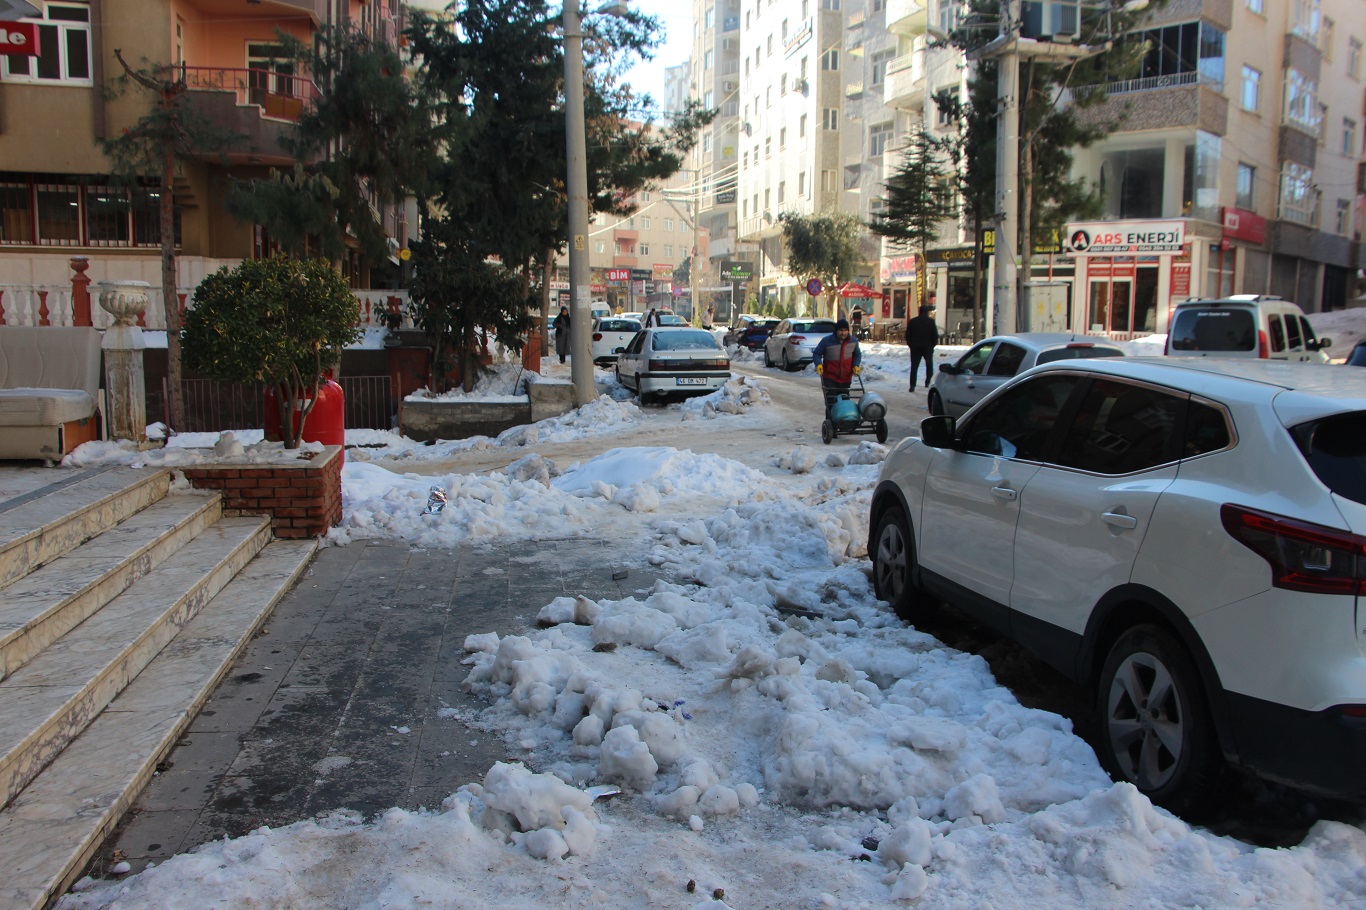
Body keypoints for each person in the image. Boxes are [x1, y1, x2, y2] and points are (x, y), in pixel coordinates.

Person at [812, 319, 862, 413]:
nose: (843, 333)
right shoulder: (827, 341)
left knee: (845, 400)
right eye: (840, 330)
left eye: (845, 330)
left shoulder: (853, 341)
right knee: (832, 401)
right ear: (836, 331)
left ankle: (844, 423)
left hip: (846, 377)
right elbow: (817, 353)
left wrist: (856, 365)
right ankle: (831, 422)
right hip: (830, 377)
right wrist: (818, 363)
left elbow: (857, 354)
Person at [904, 305, 939, 392]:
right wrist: (932, 345)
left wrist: (910, 344)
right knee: (929, 365)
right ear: (927, 312)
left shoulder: (913, 321)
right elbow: (935, 335)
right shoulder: (931, 322)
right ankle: (928, 382)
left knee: (914, 366)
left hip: (915, 347)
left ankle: (912, 385)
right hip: (927, 347)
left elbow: (908, 335)